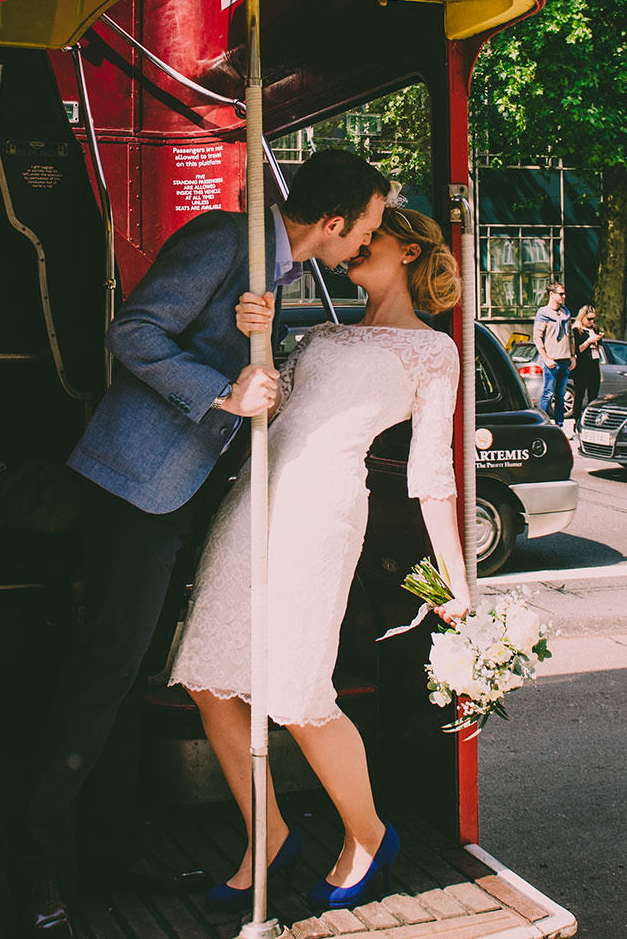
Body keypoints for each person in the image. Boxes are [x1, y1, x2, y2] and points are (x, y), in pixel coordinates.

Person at [22, 150, 390, 936]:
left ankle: (112, 847)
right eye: (368, 223)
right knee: (103, 673)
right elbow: (135, 331)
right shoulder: (228, 240)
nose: (368, 238)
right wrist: (221, 392)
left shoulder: (278, 268)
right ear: (332, 223)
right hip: (133, 486)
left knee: (124, 675)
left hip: (174, 491)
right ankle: (39, 861)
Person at [169, 207, 471, 913]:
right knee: (207, 681)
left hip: (324, 512)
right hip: (256, 500)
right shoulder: (322, 331)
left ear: (408, 250)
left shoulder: (435, 352)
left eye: (372, 237)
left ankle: (368, 836)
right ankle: (267, 834)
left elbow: (433, 474)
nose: (354, 248)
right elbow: (271, 407)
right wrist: (257, 339)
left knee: (297, 693)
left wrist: (458, 581)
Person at [533, 282, 576, 426]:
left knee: (560, 396)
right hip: (552, 361)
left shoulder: (565, 313)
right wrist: (546, 358)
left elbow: (570, 336)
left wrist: (573, 355)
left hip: (565, 360)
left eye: (564, 293)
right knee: (548, 393)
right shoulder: (543, 313)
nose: (564, 296)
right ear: (552, 294)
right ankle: (543, 424)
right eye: (561, 294)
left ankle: (559, 424)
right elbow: (537, 337)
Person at [571, 305, 603, 423]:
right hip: (582, 367)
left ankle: (590, 420)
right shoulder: (577, 330)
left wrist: (598, 339)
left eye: (593, 319)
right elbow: (576, 350)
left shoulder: (594, 329)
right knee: (579, 395)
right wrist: (589, 341)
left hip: (594, 364)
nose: (591, 321)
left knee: (593, 396)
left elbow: (600, 347)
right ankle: (577, 420)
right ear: (582, 317)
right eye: (589, 319)